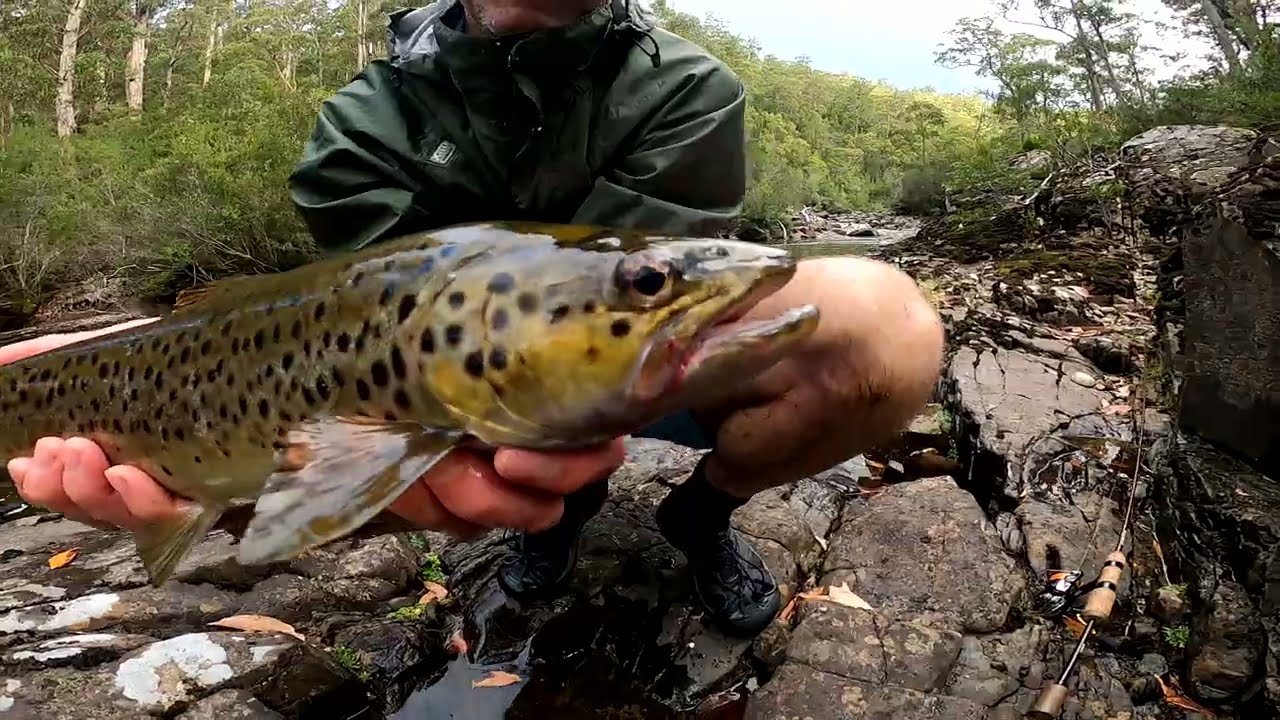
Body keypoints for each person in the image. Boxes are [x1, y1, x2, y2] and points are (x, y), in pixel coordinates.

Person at [6, 0, 944, 638]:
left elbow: (619, 301)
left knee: (885, 318)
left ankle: (702, 515)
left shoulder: (686, 91)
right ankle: (553, 522)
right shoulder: (367, 117)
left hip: (602, 365)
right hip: (410, 382)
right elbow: (354, 316)